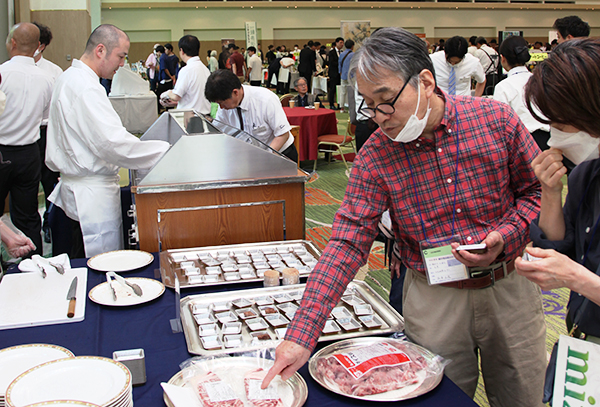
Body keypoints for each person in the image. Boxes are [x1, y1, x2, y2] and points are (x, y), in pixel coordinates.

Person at [262, 27, 547, 407]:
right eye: (367, 104)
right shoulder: (376, 155)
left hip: (509, 287)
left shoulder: (494, 120)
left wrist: (506, 236)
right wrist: (301, 334)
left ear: (425, 82)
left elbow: (537, 192)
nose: (378, 118)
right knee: (439, 397)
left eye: (386, 101)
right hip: (433, 296)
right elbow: (347, 244)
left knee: (522, 393)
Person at [46, 24, 170, 258]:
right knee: (95, 269)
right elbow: (112, 144)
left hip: (81, 188)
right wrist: (168, 153)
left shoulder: (73, 77)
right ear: (100, 50)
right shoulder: (84, 87)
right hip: (89, 198)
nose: (122, 64)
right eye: (121, 56)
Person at [518, 38, 600, 345]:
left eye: (560, 122)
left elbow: (573, 272)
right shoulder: (585, 173)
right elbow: (559, 248)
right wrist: (550, 192)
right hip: (583, 331)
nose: (553, 136)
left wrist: (576, 278)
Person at [0, 23, 53, 257]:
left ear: (12, 43)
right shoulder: (48, 78)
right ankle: (34, 264)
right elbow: (45, 119)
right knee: (29, 215)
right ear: (36, 47)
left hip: (2, 152)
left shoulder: (3, 73)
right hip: (31, 152)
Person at [205, 69, 298, 163]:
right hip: (250, 158)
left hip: (280, 154)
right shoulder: (224, 106)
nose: (221, 107)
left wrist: (267, 158)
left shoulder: (265, 99)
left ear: (235, 92)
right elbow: (220, 132)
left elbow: (282, 134)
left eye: (222, 103)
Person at [493, 36, 552, 155]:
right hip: (548, 140)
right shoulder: (543, 80)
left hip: (523, 143)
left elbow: (500, 123)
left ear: (502, 58)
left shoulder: (503, 86)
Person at [33, 22, 63, 244]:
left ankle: (49, 223)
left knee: (50, 183)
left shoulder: (54, 72)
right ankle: (29, 232)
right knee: (25, 187)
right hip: (23, 138)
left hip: (46, 133)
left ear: (40, 46)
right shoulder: (7, 69)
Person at [160, 35, 211, 115]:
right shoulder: (205, 69)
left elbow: (176, 96)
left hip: (190, 118)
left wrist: (167, 93)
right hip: (204, 116)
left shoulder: (186, 70)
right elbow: (196, 98)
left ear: (182, 51)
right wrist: (176, 104)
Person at [327, 37, 344, 110]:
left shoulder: (342, 53)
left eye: (342, 43)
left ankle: (340, 104)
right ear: (336, 43)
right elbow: (331, 62)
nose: (342, 44)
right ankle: (331, 104)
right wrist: (340, 63)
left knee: (340, 90)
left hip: (340, 74)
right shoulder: (331, 52)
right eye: (340, 43)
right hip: (333, 74)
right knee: (332, 89)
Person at [338, 39, 354, 112]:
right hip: (351, 76)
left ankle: (342, 107)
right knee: (351, 92)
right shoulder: (353, 55)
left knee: (342, 92)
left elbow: (339, 64)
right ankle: (351, 108)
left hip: (343, 75)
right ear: (352, 46)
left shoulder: (342, 54)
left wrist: (340, 72)